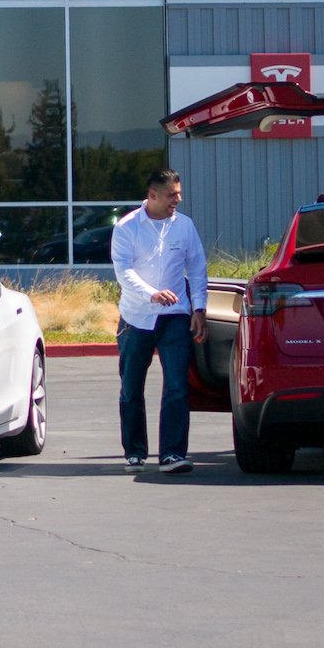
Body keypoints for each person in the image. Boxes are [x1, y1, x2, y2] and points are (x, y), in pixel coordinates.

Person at [112, 167, 208, 474]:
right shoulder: (127, 228)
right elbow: (124, 272)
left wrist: (200, 309)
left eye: (179, 194)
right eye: (171, 195)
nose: (177, 200)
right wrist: (152, 294)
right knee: (131, 386)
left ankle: (172, 454)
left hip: (175, 317)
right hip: (136, 317)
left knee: (178, 384)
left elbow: (197, 269)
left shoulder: (185, 227)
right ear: (152, 195)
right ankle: (135, 452)